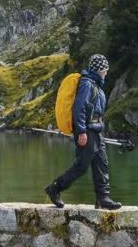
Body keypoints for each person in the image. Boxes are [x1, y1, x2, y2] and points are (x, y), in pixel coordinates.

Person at [44, 54, 122, 210]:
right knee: (82, 166)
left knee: (102, 164)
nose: (107, 72)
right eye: (105, 69)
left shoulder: (96, 85)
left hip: (96, 130)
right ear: (99, 69)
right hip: (87, 130)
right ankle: (55, 189)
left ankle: (103, 199)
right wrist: (81, 132)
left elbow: (96, 110)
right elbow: (79, 108)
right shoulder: (87, 84)